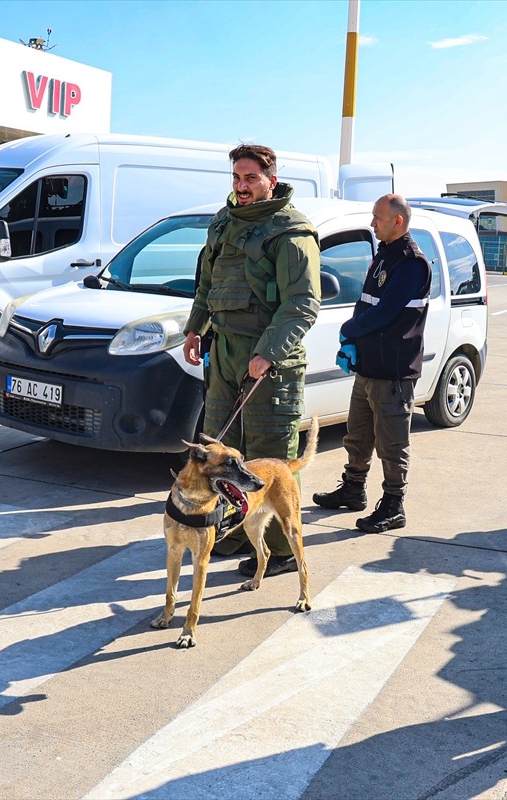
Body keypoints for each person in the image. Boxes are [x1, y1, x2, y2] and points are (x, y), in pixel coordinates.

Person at [182, 144, 321, 578]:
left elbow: (302, 303)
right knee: (222, 452)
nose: (242, 187)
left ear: (271, 181)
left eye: (251, 179)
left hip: (269, 361)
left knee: (270, 455)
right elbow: (207, 281)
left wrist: (268, 353)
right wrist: (196, 328)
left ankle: (280, 550)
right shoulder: (224, 221)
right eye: (237, 178)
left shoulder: (291, 232)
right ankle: (237, 532)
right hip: (223, 352)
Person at [313, 194, 431, 533]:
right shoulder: (384, 254)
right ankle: (353, 489)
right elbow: (366, 304)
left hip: (393, 372)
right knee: (358, 434)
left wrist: (347, 331)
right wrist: (353, 340)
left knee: (392, 443)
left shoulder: (411, 263)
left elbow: (385, 312)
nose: (373, 222)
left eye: (378, 217)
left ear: (398, 221)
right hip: (369, 366)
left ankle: (394, 505)